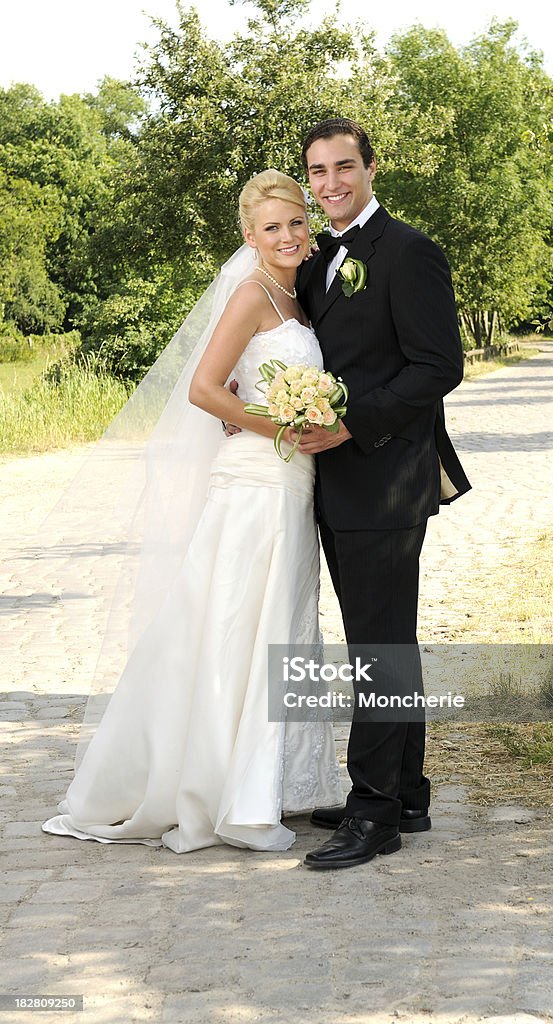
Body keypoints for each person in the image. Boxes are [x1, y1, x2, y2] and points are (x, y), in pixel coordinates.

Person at [42, 169, 342, 854]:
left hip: (292, 484)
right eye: (272, 227)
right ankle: (227, 795)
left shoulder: (299, 301)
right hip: (255, 483)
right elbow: (207, 391)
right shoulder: (251, 295)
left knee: (282, 627)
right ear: (250, 237)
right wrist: (283, 425)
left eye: (296, 221)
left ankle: (271, 783)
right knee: (235, 624)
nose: (289, 235)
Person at [295, 118, 471, 870]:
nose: (329, 183)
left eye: (343, 168)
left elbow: (439, 366)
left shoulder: (408, 250)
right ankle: (404, 791)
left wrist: (349, 425)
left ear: (372, 168)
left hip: (388, 476)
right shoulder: (314, 258)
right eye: (317, 170)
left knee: (377, 643)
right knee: (387, 636)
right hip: (337, 480)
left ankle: (374, 815)